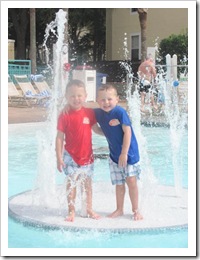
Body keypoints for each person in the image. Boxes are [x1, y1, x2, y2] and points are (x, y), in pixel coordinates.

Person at [94, 84, 143, 221]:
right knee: (119, 183)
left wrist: (124, 153)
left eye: (110, 99)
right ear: (97, 100)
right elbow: (99, 130)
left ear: (117, 99)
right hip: (114, 155)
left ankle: (136, 210)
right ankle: (119, 209)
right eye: (102, 100)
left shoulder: (120, 112)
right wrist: (94, 128)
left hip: (129, 154)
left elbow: (127, 132)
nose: (106, 102)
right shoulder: (98, 113)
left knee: (131, 181)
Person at [55, 79, 102, 222]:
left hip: (87, 155)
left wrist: (111, 132)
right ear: (67, 97)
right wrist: (59, 157)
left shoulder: (89, 113)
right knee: (71, 183)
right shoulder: (64, 115)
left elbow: (96, 129)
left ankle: (88, 208)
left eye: (79, 95)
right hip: (70, 155)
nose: (76, 99)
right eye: (72, 96)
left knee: (87, 184)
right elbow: (59, 138)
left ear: (85, 95)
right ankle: (71, 211)